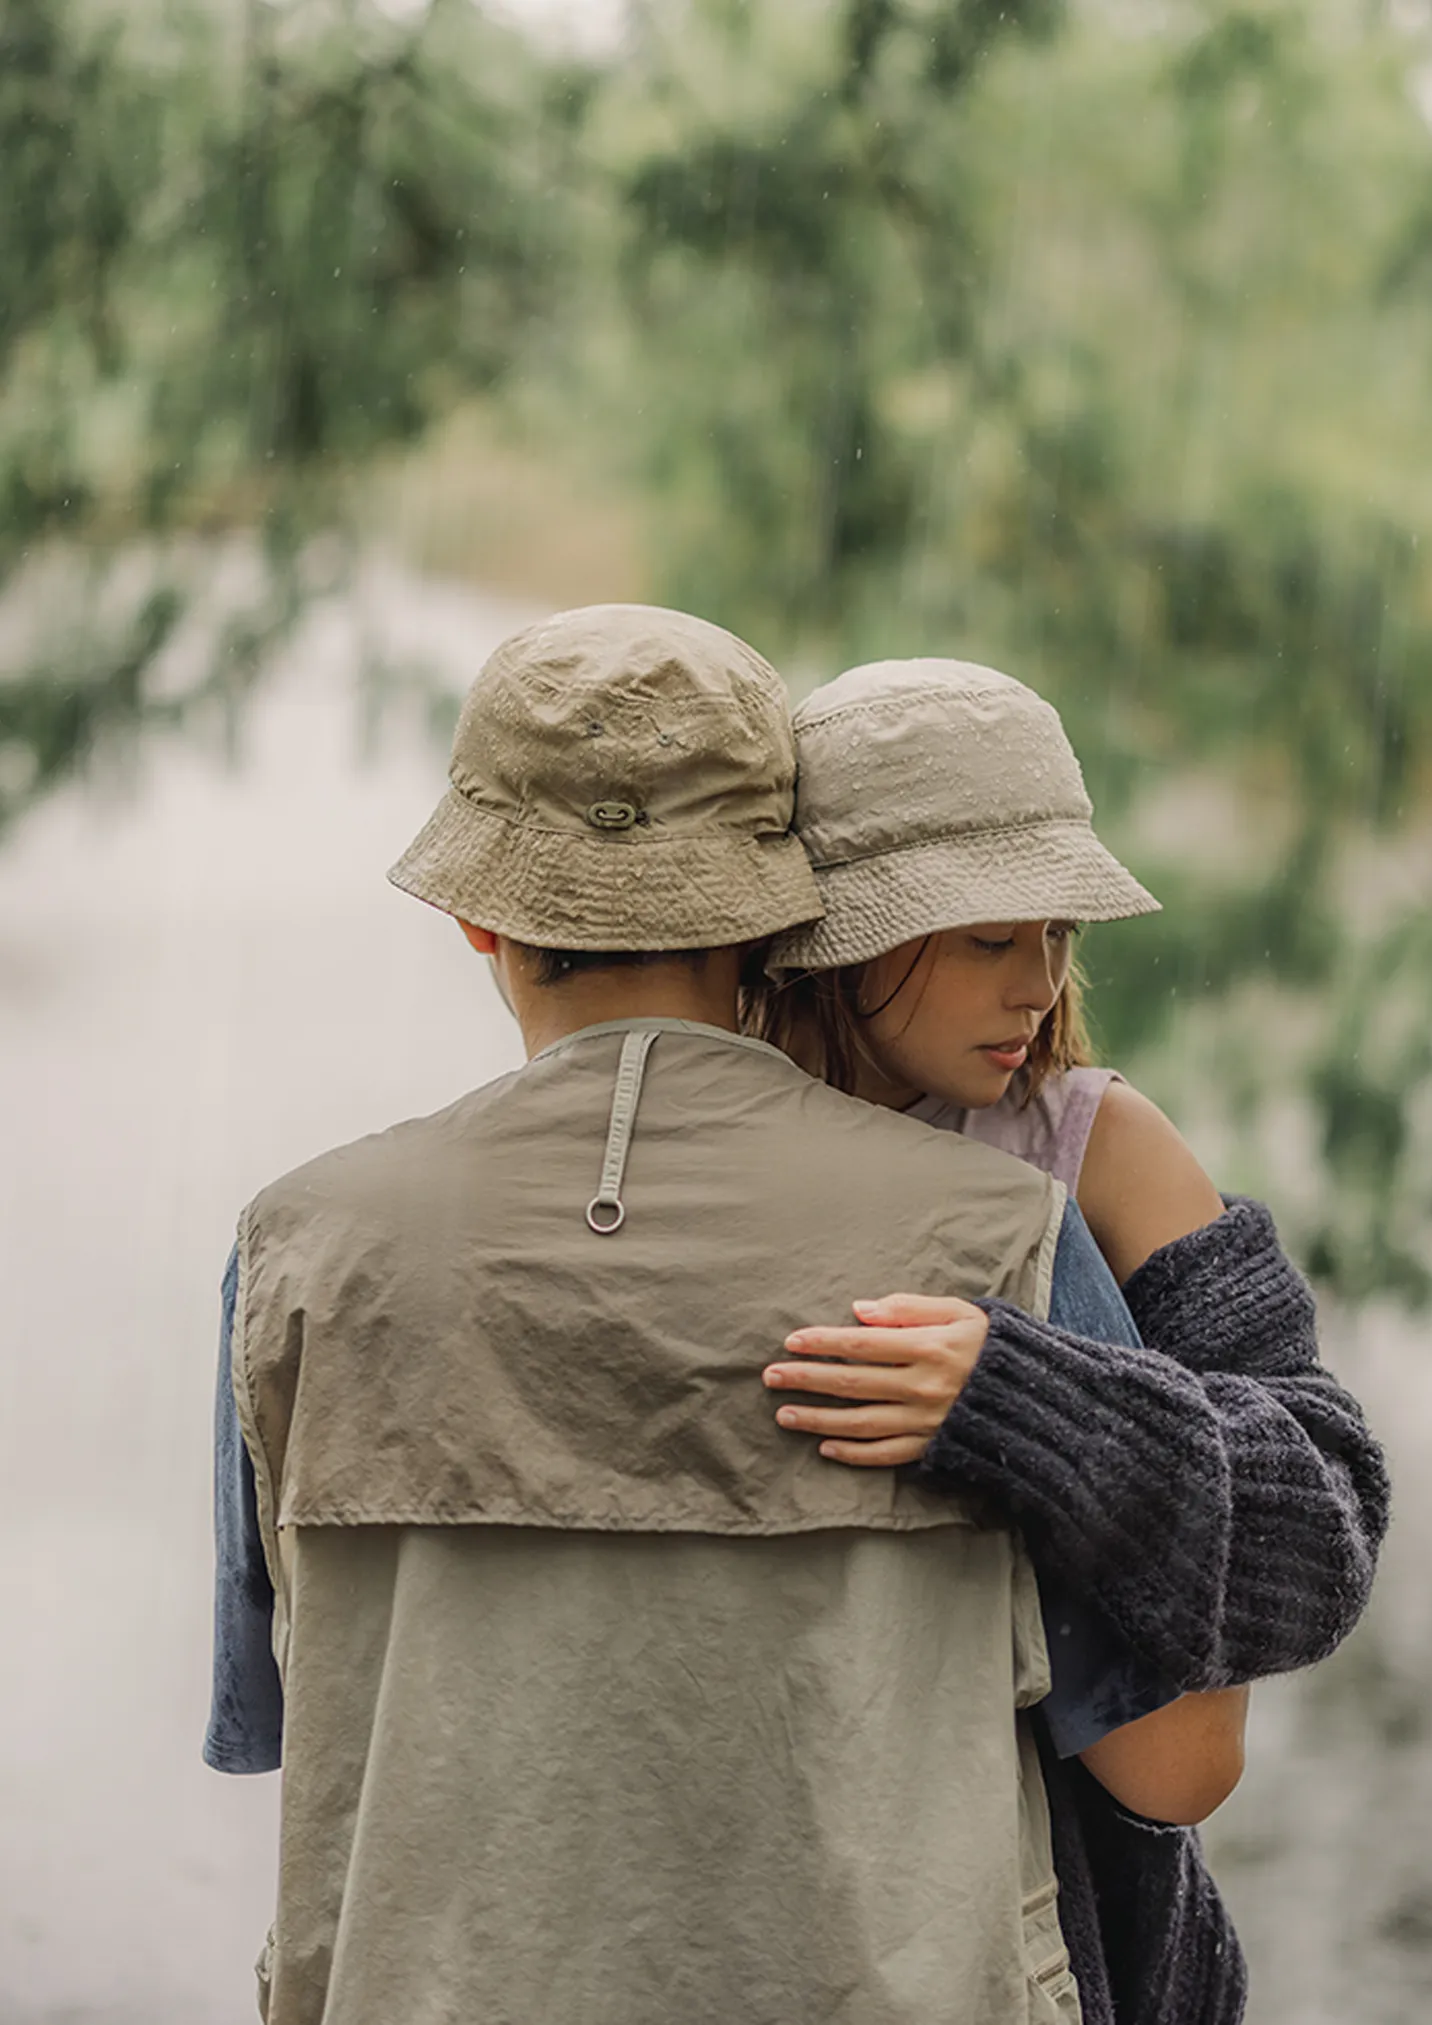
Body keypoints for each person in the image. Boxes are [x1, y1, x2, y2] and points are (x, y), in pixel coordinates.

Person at [206, 605, 1243, 2025]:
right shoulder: (998, 1235)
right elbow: (1172, 1771)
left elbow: (278, 1719)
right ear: (782, 911)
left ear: (478, 914)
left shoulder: (296, 1254)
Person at [744, 655, 1391, 2025]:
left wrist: (1030, 1405)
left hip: (1076, 1909)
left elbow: (1324, 1528)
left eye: (1059, 935)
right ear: (843, 936)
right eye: (989, 940)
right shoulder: (713, 1149)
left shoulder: (1096, 1146)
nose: (1037, 983)